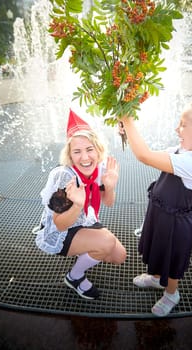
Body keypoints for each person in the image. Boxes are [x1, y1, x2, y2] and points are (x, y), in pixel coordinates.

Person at [120, 96, 192, 316]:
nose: (177, 129)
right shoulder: (184, 152)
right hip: (160, 214)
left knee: (171, 260)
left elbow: (145, 156)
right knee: (158, 250)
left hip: (176, 225)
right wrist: (128, 132)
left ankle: (171, 294)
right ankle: (157, 279)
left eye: (184, 125)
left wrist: (127, 120)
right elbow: (149, 152)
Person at [35, 109, 126, 300]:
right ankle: (74, 277)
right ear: (69, 154)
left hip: (84, 220)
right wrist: (77, 205)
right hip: (62, 228)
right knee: (106, 243)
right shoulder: (64, 176)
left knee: (118, 256)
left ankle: (85, 249)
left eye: (89, 149)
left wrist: (109, 187)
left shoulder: (99, 169)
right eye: (77, 151)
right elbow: (60, 224)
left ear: (98, 149)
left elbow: (108, 203)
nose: (85, 157)